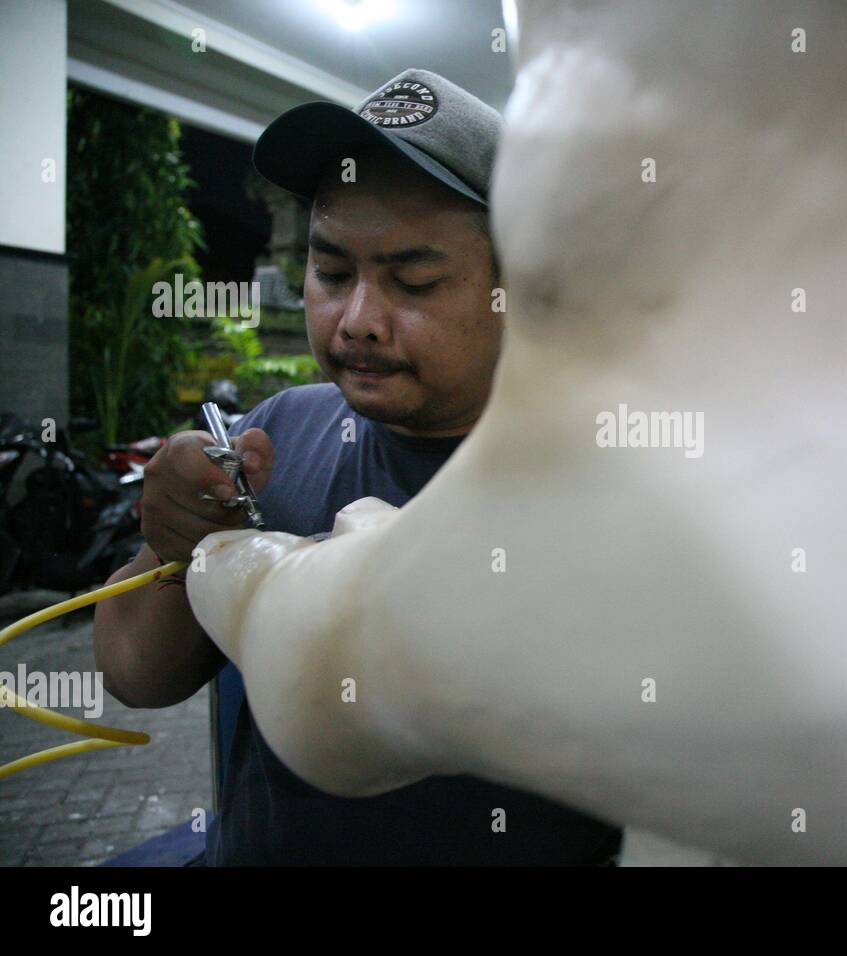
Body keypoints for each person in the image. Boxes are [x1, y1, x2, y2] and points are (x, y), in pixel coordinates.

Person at [93, 68, 624, 866]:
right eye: (332, 273)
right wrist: (178, 545)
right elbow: (136, 675)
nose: (358, 320)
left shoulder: (610, 488)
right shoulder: (273, 441)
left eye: (414, 281)